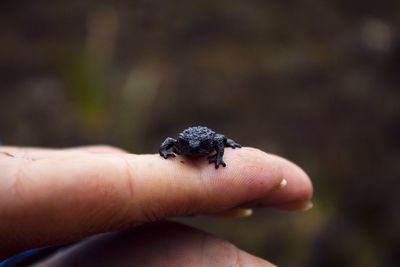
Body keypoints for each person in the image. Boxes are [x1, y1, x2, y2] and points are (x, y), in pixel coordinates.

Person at [0, 145, 313, 266]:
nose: (191, 150)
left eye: (196, 149)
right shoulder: (184, 145)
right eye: (187, 147)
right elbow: (171, 143)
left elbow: (218, 140)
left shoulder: (206, 144)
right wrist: (168, 154)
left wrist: (218, 156)